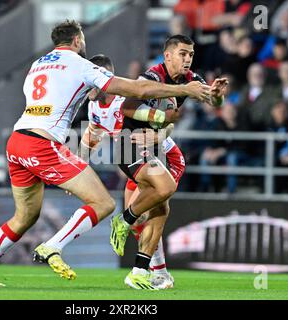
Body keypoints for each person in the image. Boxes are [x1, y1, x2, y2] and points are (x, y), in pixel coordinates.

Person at [0, 20, 211, 287]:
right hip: (45, 144)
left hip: (17, 141)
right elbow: (138, 90)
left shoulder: (38, 64)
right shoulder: (81, 65)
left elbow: (88, 127)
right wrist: (185, 90)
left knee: (25, 216)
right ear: (78, 41)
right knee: (105, 203)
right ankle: (53, 246)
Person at [110, 35, 227, 290]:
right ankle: (125, 220)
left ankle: (142, 271)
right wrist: (162, 118)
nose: (187, 59)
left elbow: (213, 101)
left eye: (191, 55)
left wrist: (217, 95)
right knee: (165, 188)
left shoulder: (192, 80)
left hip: (158, 146)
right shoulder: (151, 77)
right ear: (168, 56)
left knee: (162, 208)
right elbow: (127, 108)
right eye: (183, 53)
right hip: (131, 144)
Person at [79, 54, 181, 289]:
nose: (85, 85)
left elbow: (168, 116)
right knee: (139, 221)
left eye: (90, 79)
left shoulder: (129, 97)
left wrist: (161, 133)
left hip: (165, 158)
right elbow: (93, 132)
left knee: (152, 212)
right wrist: (77, 165)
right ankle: (160, 273)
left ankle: (153, 272)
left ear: (103, 78)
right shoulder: (94, 105)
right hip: (138, 165)